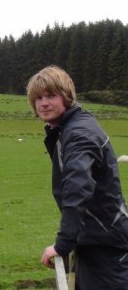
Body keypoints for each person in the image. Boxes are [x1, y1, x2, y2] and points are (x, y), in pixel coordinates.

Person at [26, 65, 128, 289]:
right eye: (38, 98)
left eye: (51, 95)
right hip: (96, 239)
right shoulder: (69, 129)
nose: (43, 103)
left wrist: (63, 243)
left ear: (66, 97)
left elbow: (78, 187)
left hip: (105, 246)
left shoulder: (79, 134)